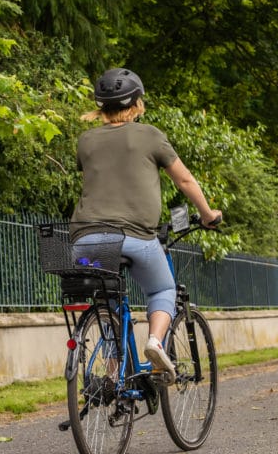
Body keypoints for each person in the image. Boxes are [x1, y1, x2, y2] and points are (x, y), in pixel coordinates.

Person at [70, 68, 222, 382]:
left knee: (109, 301)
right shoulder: (149, 135)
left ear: (102, 105)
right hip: (134, 236)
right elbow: (184, 179)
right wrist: (207, 214)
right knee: (163, 288)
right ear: (136, 103)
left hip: (84, 240)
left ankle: (113, 379)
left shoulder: (85, 140)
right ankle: (154, 343)